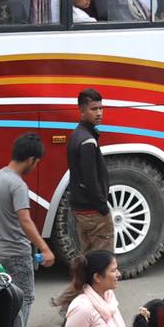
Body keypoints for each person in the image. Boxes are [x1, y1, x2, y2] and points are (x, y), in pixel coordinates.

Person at [0, 135, 53, 327]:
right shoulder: (17, 185)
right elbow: (25, 220)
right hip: (17, 251)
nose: (36, 167)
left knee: (6, 294)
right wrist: (45, 248)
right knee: (25, 296)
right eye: (36, 163)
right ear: (31, 159)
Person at [62, 90, 110, 255]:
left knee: (88, 257)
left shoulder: (77, 134)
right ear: (82, 111)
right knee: (103, 260)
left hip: (81, 208)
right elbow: (90, 180)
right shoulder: (87, 141)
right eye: (94, 109)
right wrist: (103, 207)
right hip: (93, 210)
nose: (99, 113)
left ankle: (84, 281)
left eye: (101, 108)